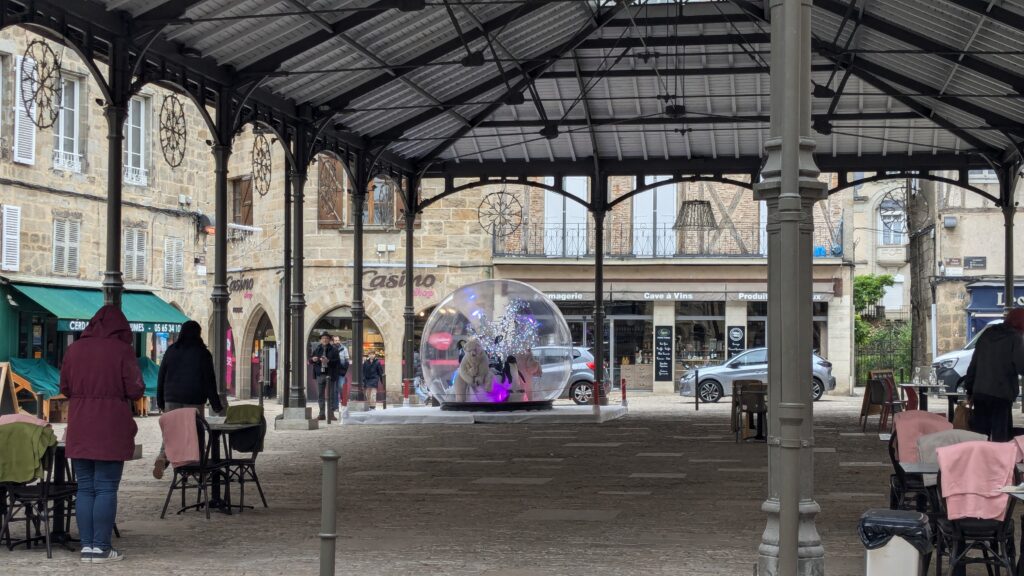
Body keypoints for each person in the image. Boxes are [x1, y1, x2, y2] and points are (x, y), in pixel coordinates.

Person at [59, 305, 144, 563]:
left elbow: (64, 387)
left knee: (85, 488)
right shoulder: (122, 351)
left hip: (80, 425)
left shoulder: (74, 350)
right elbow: (136, 390)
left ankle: (87, 547)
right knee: (106, 488)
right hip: (110, 427)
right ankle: (102, 547)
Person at [153, 320, 225, 478]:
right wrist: (216, 405)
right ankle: (195, 465)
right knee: (195, 433)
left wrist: (160, 400)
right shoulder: (202, 353)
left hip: (171, 399)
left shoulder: (171, 350)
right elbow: (209, 381)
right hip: (194, 399)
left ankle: (163, 457)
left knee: (171, 432)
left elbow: (161, 376)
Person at [965, 308, 1024, 442]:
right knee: (1000, 438)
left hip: (980, 392)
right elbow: (1021, 366)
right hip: (1001, 394)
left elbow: (974, 364)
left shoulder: (987, 333)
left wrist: (970, 389)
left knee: (980, 436)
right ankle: (999, 463)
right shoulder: (1015, 337)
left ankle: (979, 462)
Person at [310, 332, 340, 420]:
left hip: (330, 374)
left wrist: (328, 361)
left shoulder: (334, 349)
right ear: (320, 340)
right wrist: (313, 359)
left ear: (329, 340)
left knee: (331, 395)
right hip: (320, 374)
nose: (324, 340)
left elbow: (337, 362)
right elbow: (310, 360)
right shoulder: (317, 348)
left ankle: (331, 414)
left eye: (326, 338)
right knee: (320, 395)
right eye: (323, 338)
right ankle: (322, 414)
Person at [332, 336, 351, 409]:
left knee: (341, 387)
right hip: (333, 372)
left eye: (338, 340)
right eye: (335, 340)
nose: (337, 341)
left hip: (341, 372)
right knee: (334, 390)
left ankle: (343, 402)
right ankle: (335, 406)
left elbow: (347, 360)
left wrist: (344, 371)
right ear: (333, 341)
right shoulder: (331, 348)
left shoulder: (344, 348)